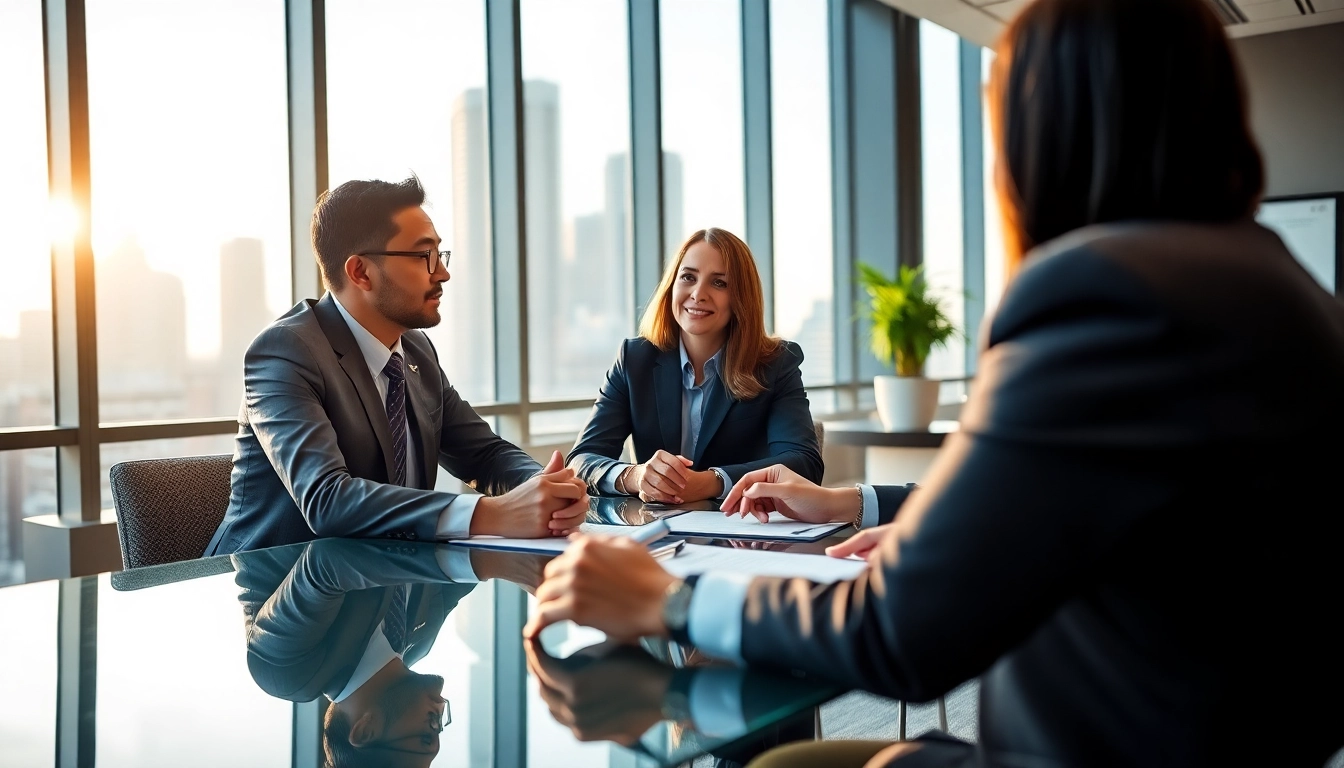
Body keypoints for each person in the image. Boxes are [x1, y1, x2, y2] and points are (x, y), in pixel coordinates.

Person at [523, 0, 1344, 765]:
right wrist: (860, 506)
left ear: (1048, 136)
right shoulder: (1281, 291)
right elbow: (1104, 506)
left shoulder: (1104, 298)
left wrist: (671, 600)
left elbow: (900, 634)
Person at [206, 176, 588, 556]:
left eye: (440, 254)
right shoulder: (285, 351)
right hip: (271, 588)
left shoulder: (416, 351)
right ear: (360, 272)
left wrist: (544, 488)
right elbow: (327, 500)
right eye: (425, 256)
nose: (442, 273)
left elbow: (483, 454)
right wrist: (494, 514)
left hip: (384, 582)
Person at [567, 228, 823, 506]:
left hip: (742, 532)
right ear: (672, 286)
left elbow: (804, 463)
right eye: (688, 277)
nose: (698, 294)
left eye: (719, 283)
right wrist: (635, 475)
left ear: (741, 297)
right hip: (656, 533)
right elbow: (581, 460)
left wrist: (712, 482)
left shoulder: (776, 363)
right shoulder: (634, 359)